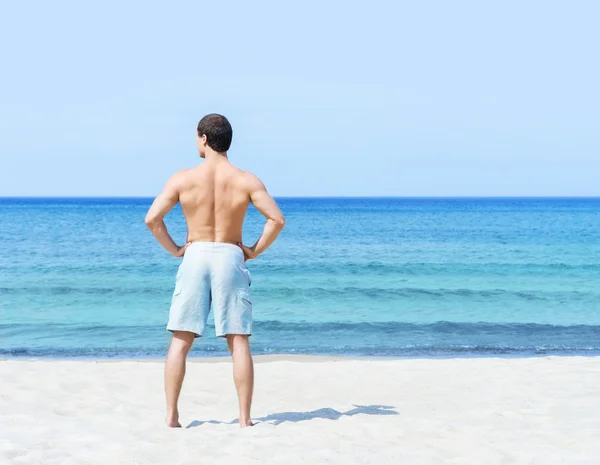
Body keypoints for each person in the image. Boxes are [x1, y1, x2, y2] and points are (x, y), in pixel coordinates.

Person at [144, 114, 285, 428]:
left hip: (195, 254)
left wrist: (177, 249)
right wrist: (253, 250)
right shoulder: (246, 179)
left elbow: (152, 220)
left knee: (181, 339)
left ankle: (171, 416)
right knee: (238, 340)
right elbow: (276, 220)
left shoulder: (182, 179)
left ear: (204, 139)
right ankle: (245, 419)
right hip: (229, 254)